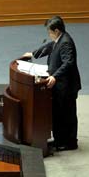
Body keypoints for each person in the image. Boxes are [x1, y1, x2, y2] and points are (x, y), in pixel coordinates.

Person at [22, 15, 81, 151]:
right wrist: (33, 54)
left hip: (66, 86)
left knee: (67, 115)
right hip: (60, 85)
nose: (49, 35)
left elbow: (69, 63)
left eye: (49, 32)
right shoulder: (59, 39)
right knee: (60, 113)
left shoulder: (66, 42)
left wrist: (55, 76)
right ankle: (60, 140)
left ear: (56, 31)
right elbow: (50, 47)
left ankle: (69, 143)